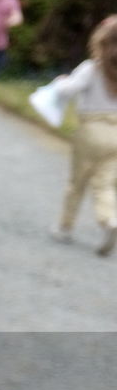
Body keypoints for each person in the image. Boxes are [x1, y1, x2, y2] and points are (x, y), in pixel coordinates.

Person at [50, 15, 117, 256]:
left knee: (77, 183)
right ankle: (109, 220)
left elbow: (69, 90)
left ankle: (65, 226)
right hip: (115, 135)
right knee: (105, 185)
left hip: (90, 130)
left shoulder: (92, 69)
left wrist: (60, 83)